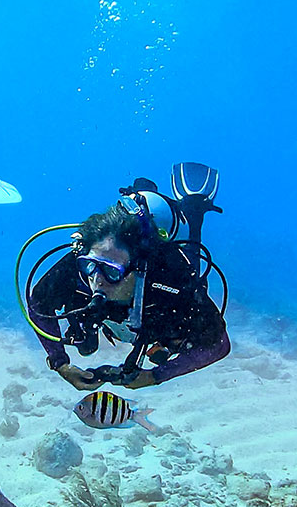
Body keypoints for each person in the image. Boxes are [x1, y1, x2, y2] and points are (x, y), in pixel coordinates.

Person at [26, 167, 230, 390]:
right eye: (90, 265)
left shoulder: (171, 282)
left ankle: (192, 208)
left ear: (138, 270)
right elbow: (39, 303)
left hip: (161, 281)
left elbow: (217, 344)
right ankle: (141, 194)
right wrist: (60, 363)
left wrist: (156, 375)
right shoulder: (78, 263)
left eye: (112, 271)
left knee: (190, 265)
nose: (97, 280)